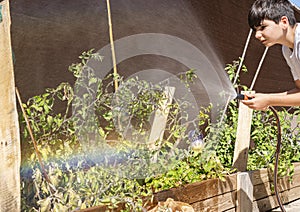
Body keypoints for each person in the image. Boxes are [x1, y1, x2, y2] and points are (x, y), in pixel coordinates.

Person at [242, 0, 300, 110]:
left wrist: (269, 100)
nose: (257, 35)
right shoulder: (287, 49)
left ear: (284, 22)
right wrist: (266, 98)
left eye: (263, 27)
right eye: (255, 30)